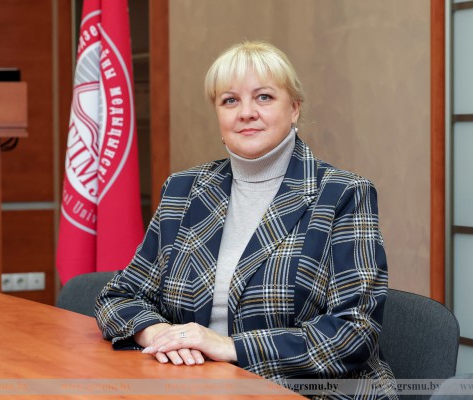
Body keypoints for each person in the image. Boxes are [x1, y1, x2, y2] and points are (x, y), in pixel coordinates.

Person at [95, 40, 396, 399]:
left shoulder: (343, 194)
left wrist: (229, 346)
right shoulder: (183, 189)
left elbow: (353, 333)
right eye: (230, 100)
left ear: (294, 108)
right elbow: (119, 296)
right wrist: (159, 333)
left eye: (264, 97)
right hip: (197, 387)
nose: (246, 113)